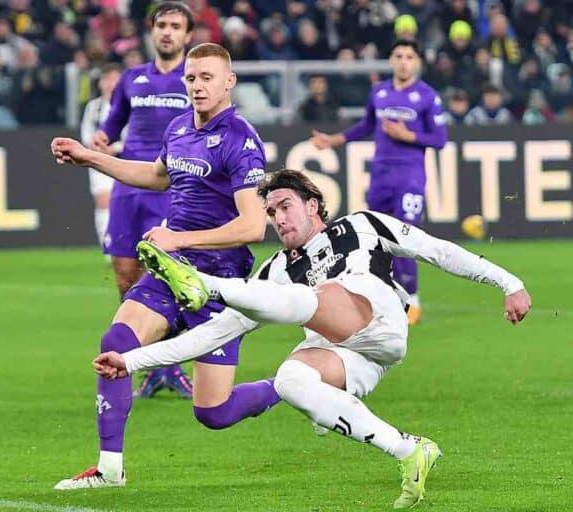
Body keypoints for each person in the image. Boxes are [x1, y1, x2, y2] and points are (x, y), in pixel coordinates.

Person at [95, 170, 532, 508]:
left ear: (313, 205)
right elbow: (213, 334)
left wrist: (508, 282)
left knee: (312, 298)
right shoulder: (276, 269)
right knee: (290, 380)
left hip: (378, 319)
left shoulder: (362, 225)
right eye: (271, 213)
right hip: (353, 358)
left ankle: (206, 284)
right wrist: (131, 361)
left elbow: (437, 250)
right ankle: (409, 450)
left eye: (285, 206)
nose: (279, 219)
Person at [50, 42, 278, 490]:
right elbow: (157, 176)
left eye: (207, 77)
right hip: (173, 271)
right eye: (191, 78)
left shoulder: (241, 140)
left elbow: (253, 226)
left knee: (214, 412)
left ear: (229, 82)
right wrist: (90, 157)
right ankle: (109, 469)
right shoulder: (178, 128)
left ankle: (287, 385)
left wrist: (178, 237)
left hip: (219, 283)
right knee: (117, 342)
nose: (197, 86)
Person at [91, 1, 195, 398]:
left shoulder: (193, 80)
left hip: (170, 188)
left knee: (166, 277)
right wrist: (103, 138)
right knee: (125, 275)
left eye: (175, 26)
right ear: (152, 31)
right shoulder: (131, 78)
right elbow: (113, 123)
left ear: (187, 35)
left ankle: (169, 365)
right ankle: (148, 363)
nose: (167, 32)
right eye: (162, 25)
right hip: (127, 187)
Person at [311, 39, 448, 326]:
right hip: (380, 176)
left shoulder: (427, 96)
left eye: (409, 56)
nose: (403, 62)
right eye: (399, 56)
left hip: (409, 177)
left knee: (405, 236)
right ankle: (384, 297)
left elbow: (439, 139)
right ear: (391, 60)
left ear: (417, 62)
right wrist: (333, 140)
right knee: (376, 237)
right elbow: (366, 125)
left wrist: (407, 135)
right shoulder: (379, 91)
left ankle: (413, 300)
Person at [79, 64, 122, 249]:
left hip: (125, 161)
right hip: (99, 161)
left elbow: (134, 134)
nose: (110, 84)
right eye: (107, 79)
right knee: (103, 202)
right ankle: (107, 245)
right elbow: (86, 134)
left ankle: (124, 245)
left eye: (114, 79)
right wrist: (97, 148)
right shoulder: (93, 107)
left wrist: (116, 148)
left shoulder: (130, 105)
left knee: (123, 204)